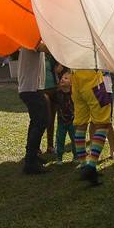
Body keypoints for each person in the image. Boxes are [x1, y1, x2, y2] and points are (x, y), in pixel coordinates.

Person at [70, 67, 112, 185]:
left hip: (76, 80)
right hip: (92, 80)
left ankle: (84, 166)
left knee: (80, 126)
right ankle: (91, 166)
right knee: (103, 124)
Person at [16, 43, 50, 175]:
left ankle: (32, 155)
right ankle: (30, 162)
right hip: (31, 89)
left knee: (35, 121)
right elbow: (44, 48)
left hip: (30, 88)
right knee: (42, 121)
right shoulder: (31, 39)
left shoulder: (30, 39)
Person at [52, 70, 76, 162]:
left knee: (74, 139)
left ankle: (76, 156)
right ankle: (59, 156)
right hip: (61, 122)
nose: (62, 79)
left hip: (73, 121)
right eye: (62, 78)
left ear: (71, 83)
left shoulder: (74, 93)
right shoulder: (57, 93)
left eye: (66, 78)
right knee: (59, 139)